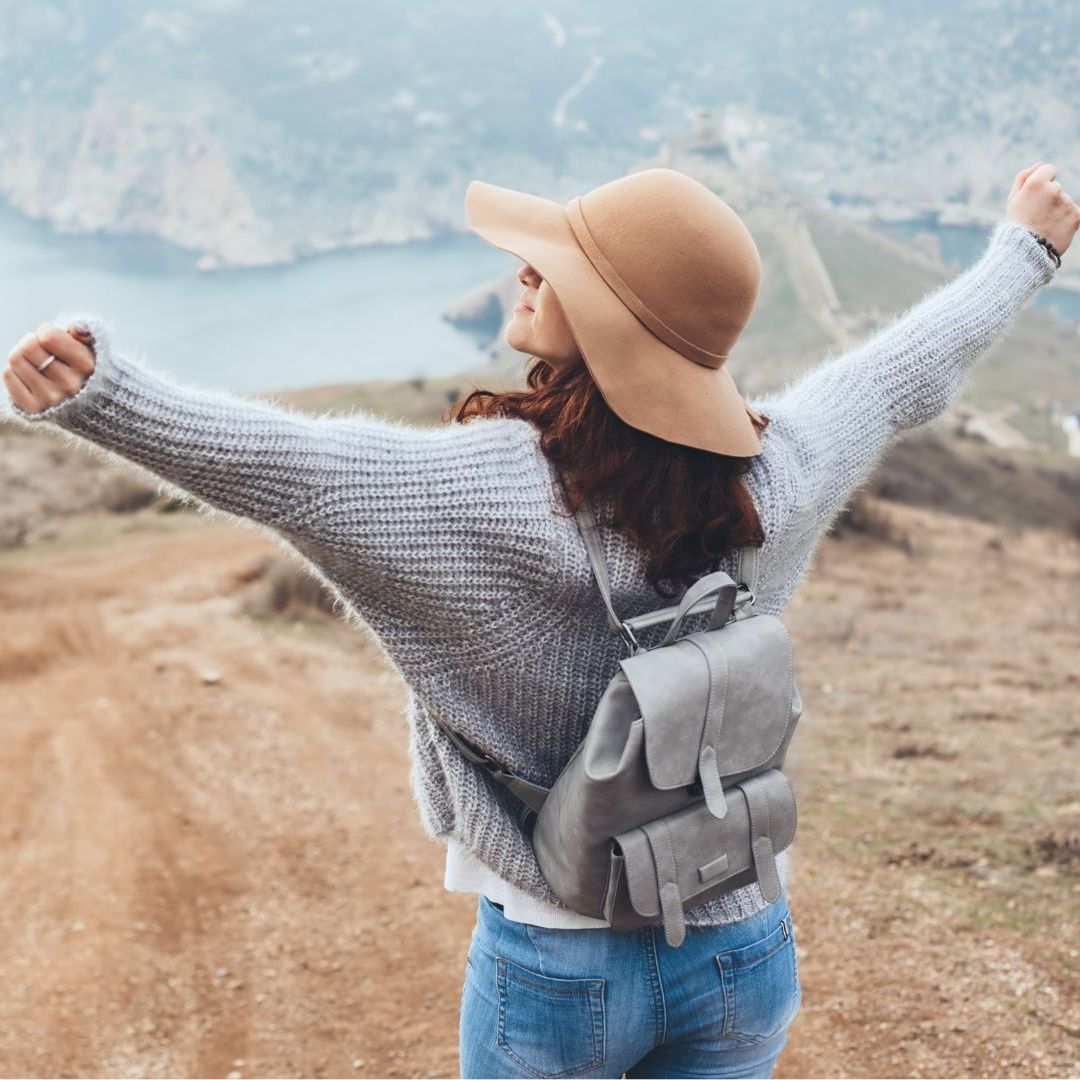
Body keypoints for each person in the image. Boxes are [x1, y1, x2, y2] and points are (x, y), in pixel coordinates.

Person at [2, 162, 1076, 1080]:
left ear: (613, 323)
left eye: (558, 264)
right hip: (745, 938)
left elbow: (285, 469)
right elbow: (904, 373)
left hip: (560, 965)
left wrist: (102, 393)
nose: (523, 268)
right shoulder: (782, 467)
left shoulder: (480, 493)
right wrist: (1023, 252)